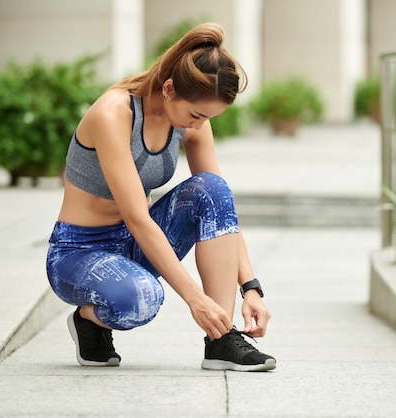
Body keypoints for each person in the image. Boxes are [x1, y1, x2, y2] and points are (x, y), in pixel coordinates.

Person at [45, 22, 275, 372]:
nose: (198, 126)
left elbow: (221, 208)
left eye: (207, 118)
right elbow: (137, 216)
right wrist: (195, 299)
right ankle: (89, 320)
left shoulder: (190, 123)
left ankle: (220, 340)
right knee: (141, 300)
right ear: (169, 88)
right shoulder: (114, 113)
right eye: (196, 115)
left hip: (133, 242)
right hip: (78, 252)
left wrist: (251, 288)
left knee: (212, 188)